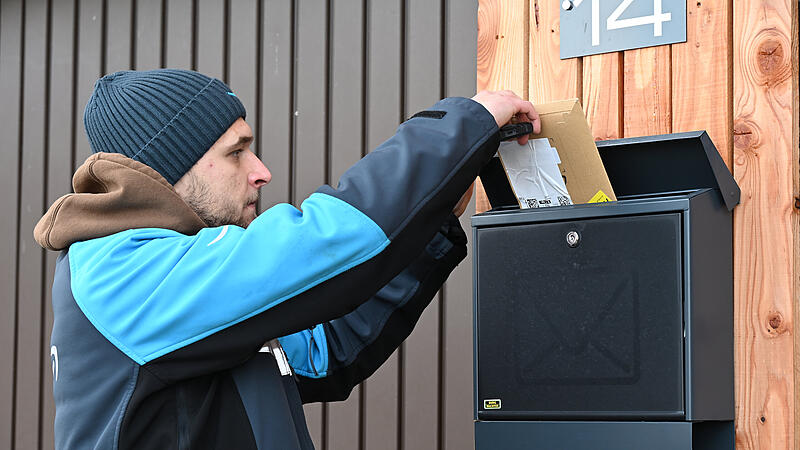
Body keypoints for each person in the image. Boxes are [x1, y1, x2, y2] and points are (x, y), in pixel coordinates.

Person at [34, 69, 539, 449]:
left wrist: (428, 226)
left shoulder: (190, 288)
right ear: (171, 169)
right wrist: (466, 121)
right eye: (237, 152)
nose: (261, 171)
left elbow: (322, 351)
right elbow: (325, 240)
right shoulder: (123, 273)